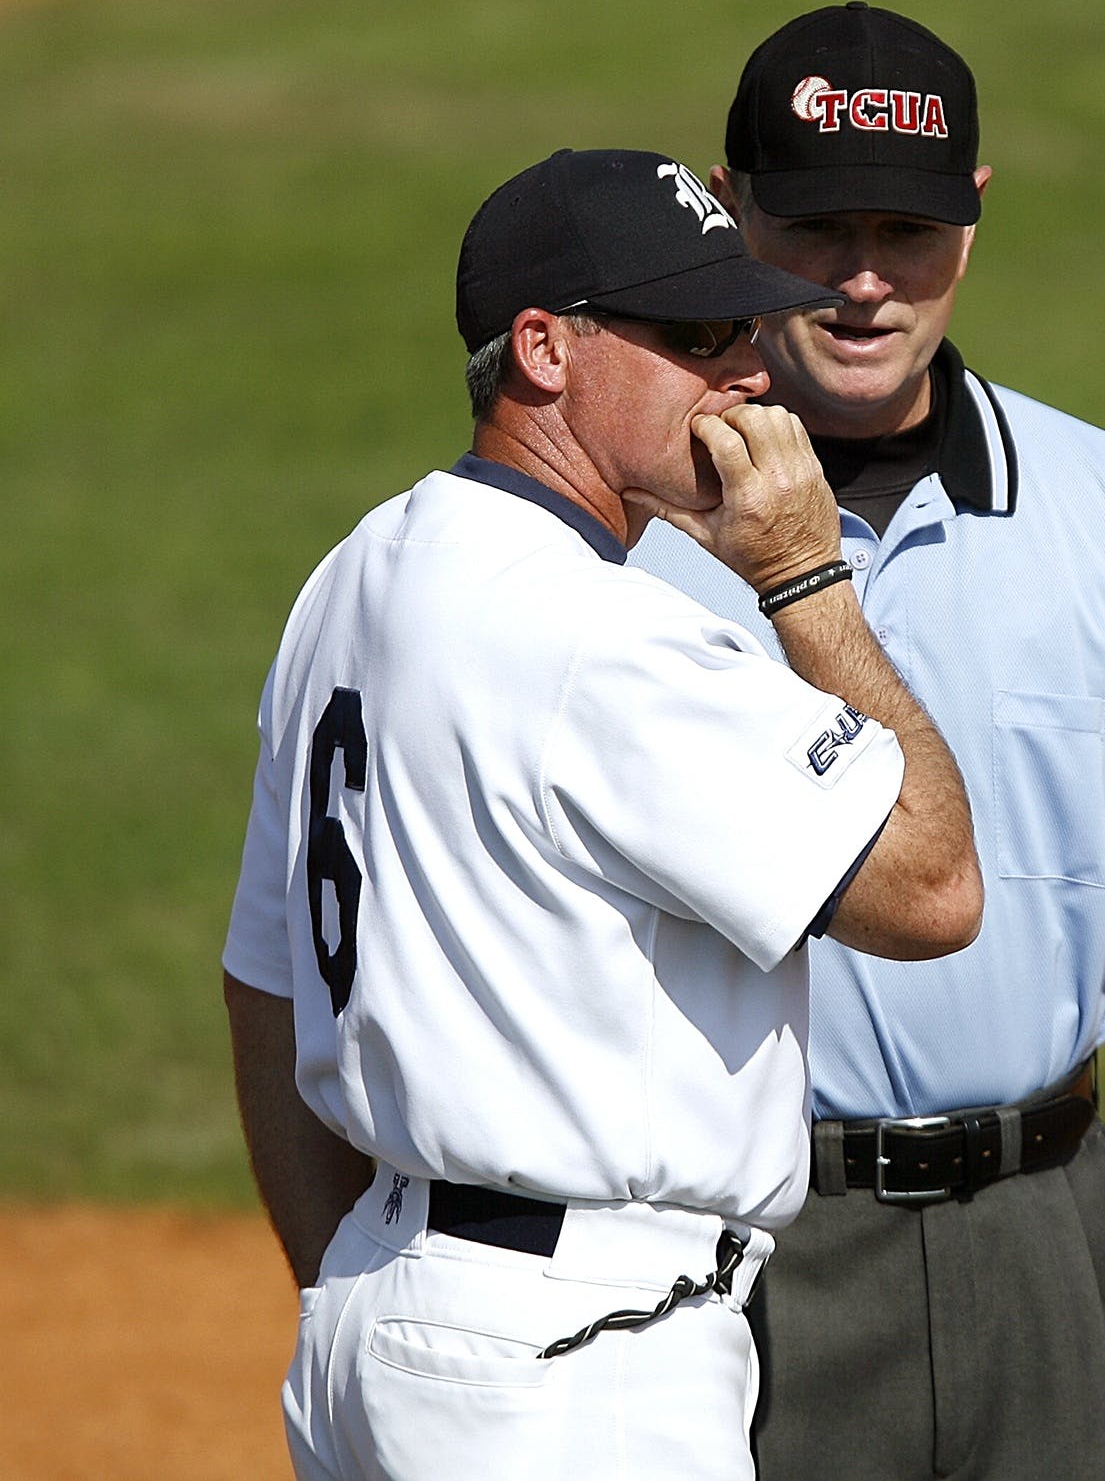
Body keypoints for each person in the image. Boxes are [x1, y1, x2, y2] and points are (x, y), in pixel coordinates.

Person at [627, 4, 1105, 1478]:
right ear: (731, 210)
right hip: (740, 1250)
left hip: (1053, 1238)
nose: (864, 282)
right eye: (816, 228)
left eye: (904, 232)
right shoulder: (630, 539)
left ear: (972, 224)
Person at [219, 146, 982, 1481]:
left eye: (749, 327)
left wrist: (378, 1285)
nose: (752, 371)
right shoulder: (603, 639)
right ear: (545, 350)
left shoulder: (352, 578)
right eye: (697, 335)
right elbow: (932, 891)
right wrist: (806, 577)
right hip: (576, 1365)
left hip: (382, 1322)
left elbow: (264, 982)